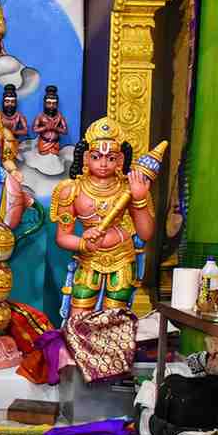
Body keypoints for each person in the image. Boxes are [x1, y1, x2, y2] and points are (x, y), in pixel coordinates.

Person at [50, 117, 161, 316]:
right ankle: (79, 347)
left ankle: (111, 347)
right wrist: (83, 244)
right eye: (96, 157)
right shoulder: (71, 191)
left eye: (110, 158)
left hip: (122, 258)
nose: (103, 163)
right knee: (80, 313)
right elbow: (62, 237)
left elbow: (145, 234)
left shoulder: (129, 188)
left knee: (115, 316)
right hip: (88, 260)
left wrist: (140, 199)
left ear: (120, 160)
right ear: (85, 158)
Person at [32, 85, 68, 156]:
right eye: (49, 103)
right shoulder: (40, 116)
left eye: (54, 103)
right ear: (44, 104)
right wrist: (46, 128)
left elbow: (65, 131)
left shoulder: (60, 117)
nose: (51, 106)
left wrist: (55, 128)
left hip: (55, 144)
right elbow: (34, 129)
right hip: (43, 143)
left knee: (54, 159)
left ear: (57, 104)